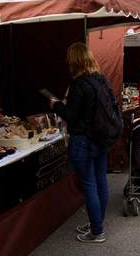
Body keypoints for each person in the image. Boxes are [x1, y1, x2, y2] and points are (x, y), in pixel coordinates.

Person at [51, 43, 115, 243]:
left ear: (73, 61)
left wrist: (57, 105)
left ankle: (97, 231)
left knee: (89, 185)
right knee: (100, 182)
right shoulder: (100, 79)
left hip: (83, 140)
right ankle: (98, 223)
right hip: (101, 137)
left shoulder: (79, 84)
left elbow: (72, 115)